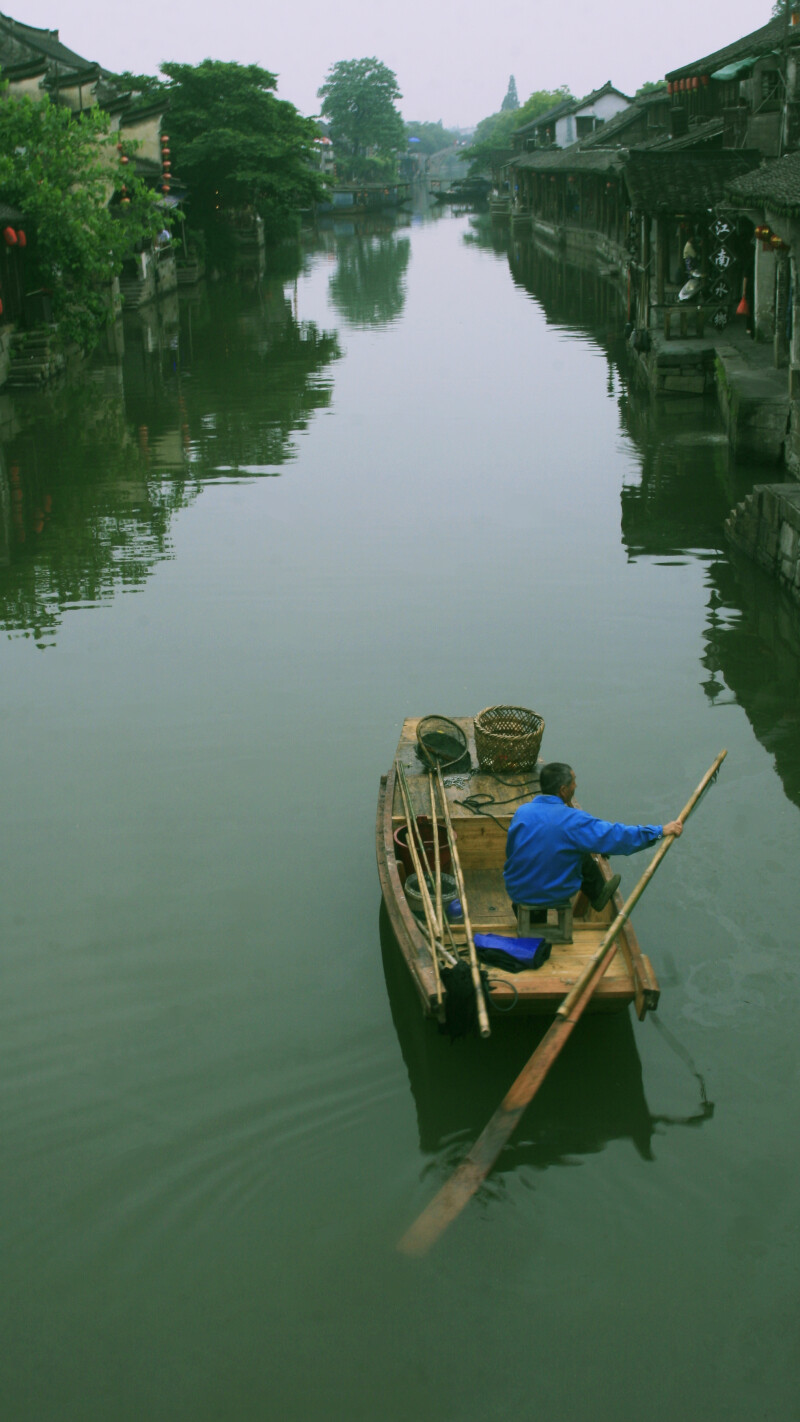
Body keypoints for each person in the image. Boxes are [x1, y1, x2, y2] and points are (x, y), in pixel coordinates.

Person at [504, 761, 683, 917]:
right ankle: (597, 895)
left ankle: (532, 913)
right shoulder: (574, 820)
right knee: (581, 849)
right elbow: (617, 836)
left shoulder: (522, 812)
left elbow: (511, 852)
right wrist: (659, 831)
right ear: (563, 790)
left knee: (547, 849)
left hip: (517, 890)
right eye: (573, 782)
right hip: (554, 893)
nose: (576, 785)